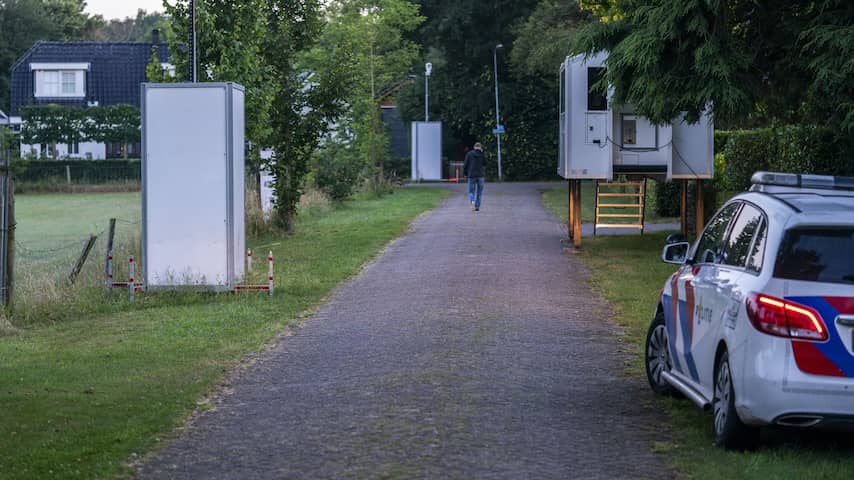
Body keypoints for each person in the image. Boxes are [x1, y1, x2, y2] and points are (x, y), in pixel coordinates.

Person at [463, 142, 485, 211]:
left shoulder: (469, 154)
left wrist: (465, 174)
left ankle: (472, 201)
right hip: (480, 175)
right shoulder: (482, 154)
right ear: (480, 147)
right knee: (479, 192)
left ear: (474, 147)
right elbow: (485, 163)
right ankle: (477, 207)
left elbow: (465, 165)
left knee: (471, 191)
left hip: (471, 175)